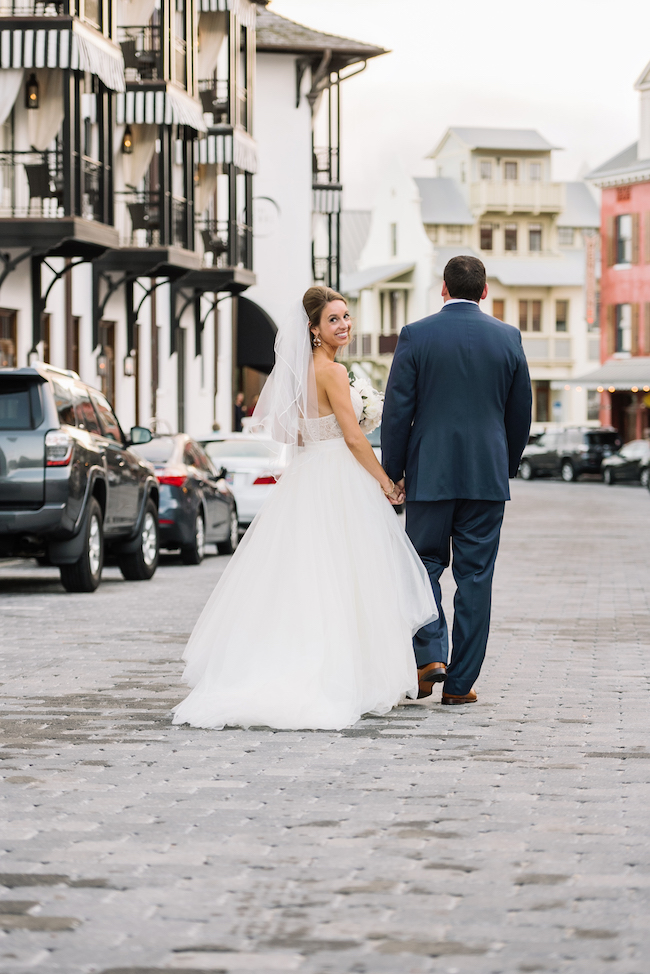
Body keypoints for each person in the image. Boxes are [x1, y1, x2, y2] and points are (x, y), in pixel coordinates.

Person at [172, 286, 437, 731]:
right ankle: (346, 678)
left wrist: (326, 433)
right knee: (350, 574)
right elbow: (353, 439)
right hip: (338, 474)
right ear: (313, 330)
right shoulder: (332, 372)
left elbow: (290, 433)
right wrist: (387, 481)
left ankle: (300, 664)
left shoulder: (301, 374)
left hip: (309, 474)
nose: (344, 325)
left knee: (306, 576)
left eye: (347, 317)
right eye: (334, 320)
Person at [382, 256, 532, 706]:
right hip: (486, 477)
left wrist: (394, 472)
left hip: (430, 473)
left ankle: (430, 654)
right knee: (476, 578)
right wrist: (505, 462)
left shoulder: (416, 335)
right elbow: (520, 412)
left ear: (443, 288)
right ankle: (461, 683)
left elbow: (397, 410)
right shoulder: (508, 337)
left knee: (422, 565)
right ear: (484, 291)